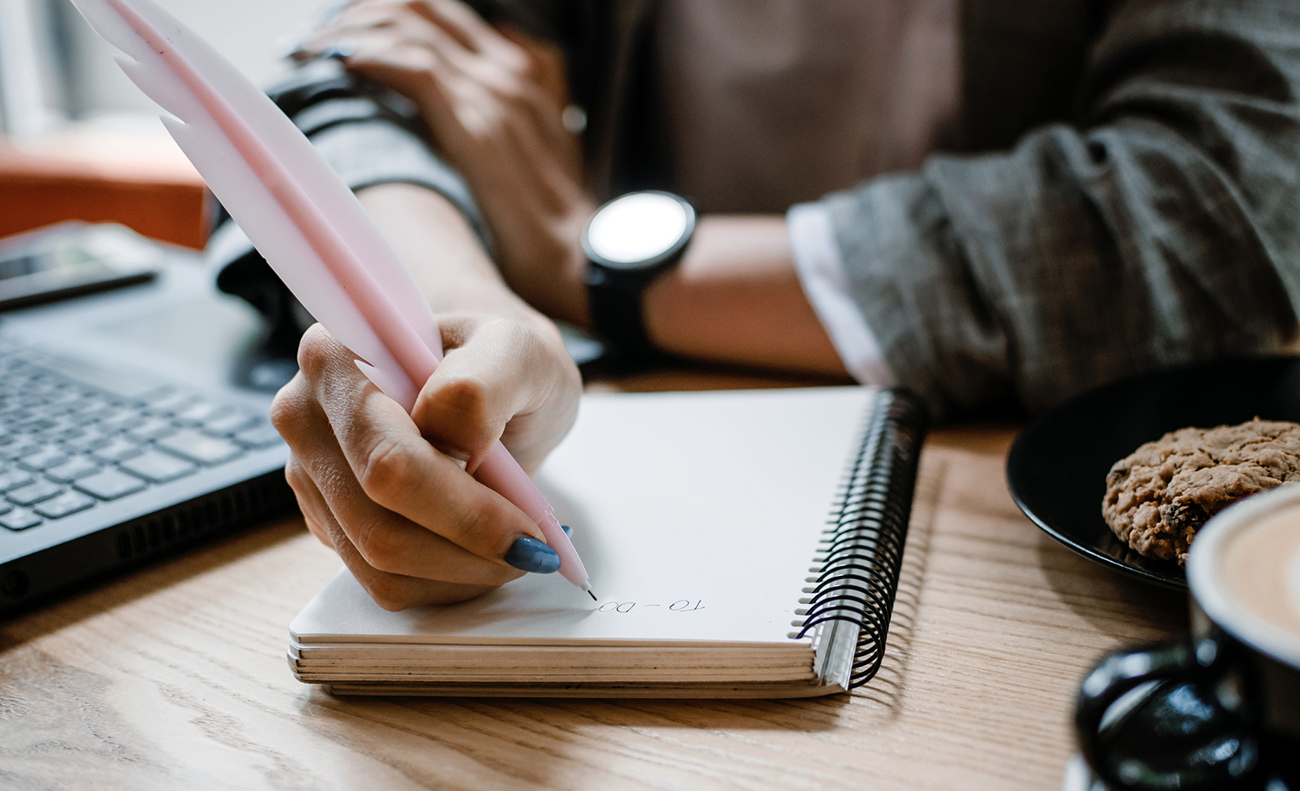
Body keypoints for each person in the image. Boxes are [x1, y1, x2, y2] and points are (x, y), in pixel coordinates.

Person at [209, 0, 1300, 609]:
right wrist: (463, 318)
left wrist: (586, 262)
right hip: (641, 433)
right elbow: (333, 87)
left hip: (1013, 525)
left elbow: (1219, 212)